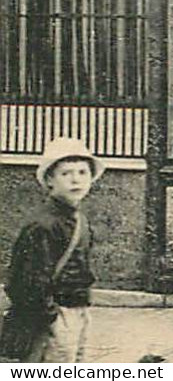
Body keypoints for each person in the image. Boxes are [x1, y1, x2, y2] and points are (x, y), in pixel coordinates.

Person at [1, 138, 103, 362]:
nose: (76, 180)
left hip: (78, 310)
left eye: (82, 172)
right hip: (55, 315)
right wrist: (50, 316)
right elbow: (27, 280)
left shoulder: (78, 219)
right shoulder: (43, 225)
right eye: (66, 174)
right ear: (50, 180)